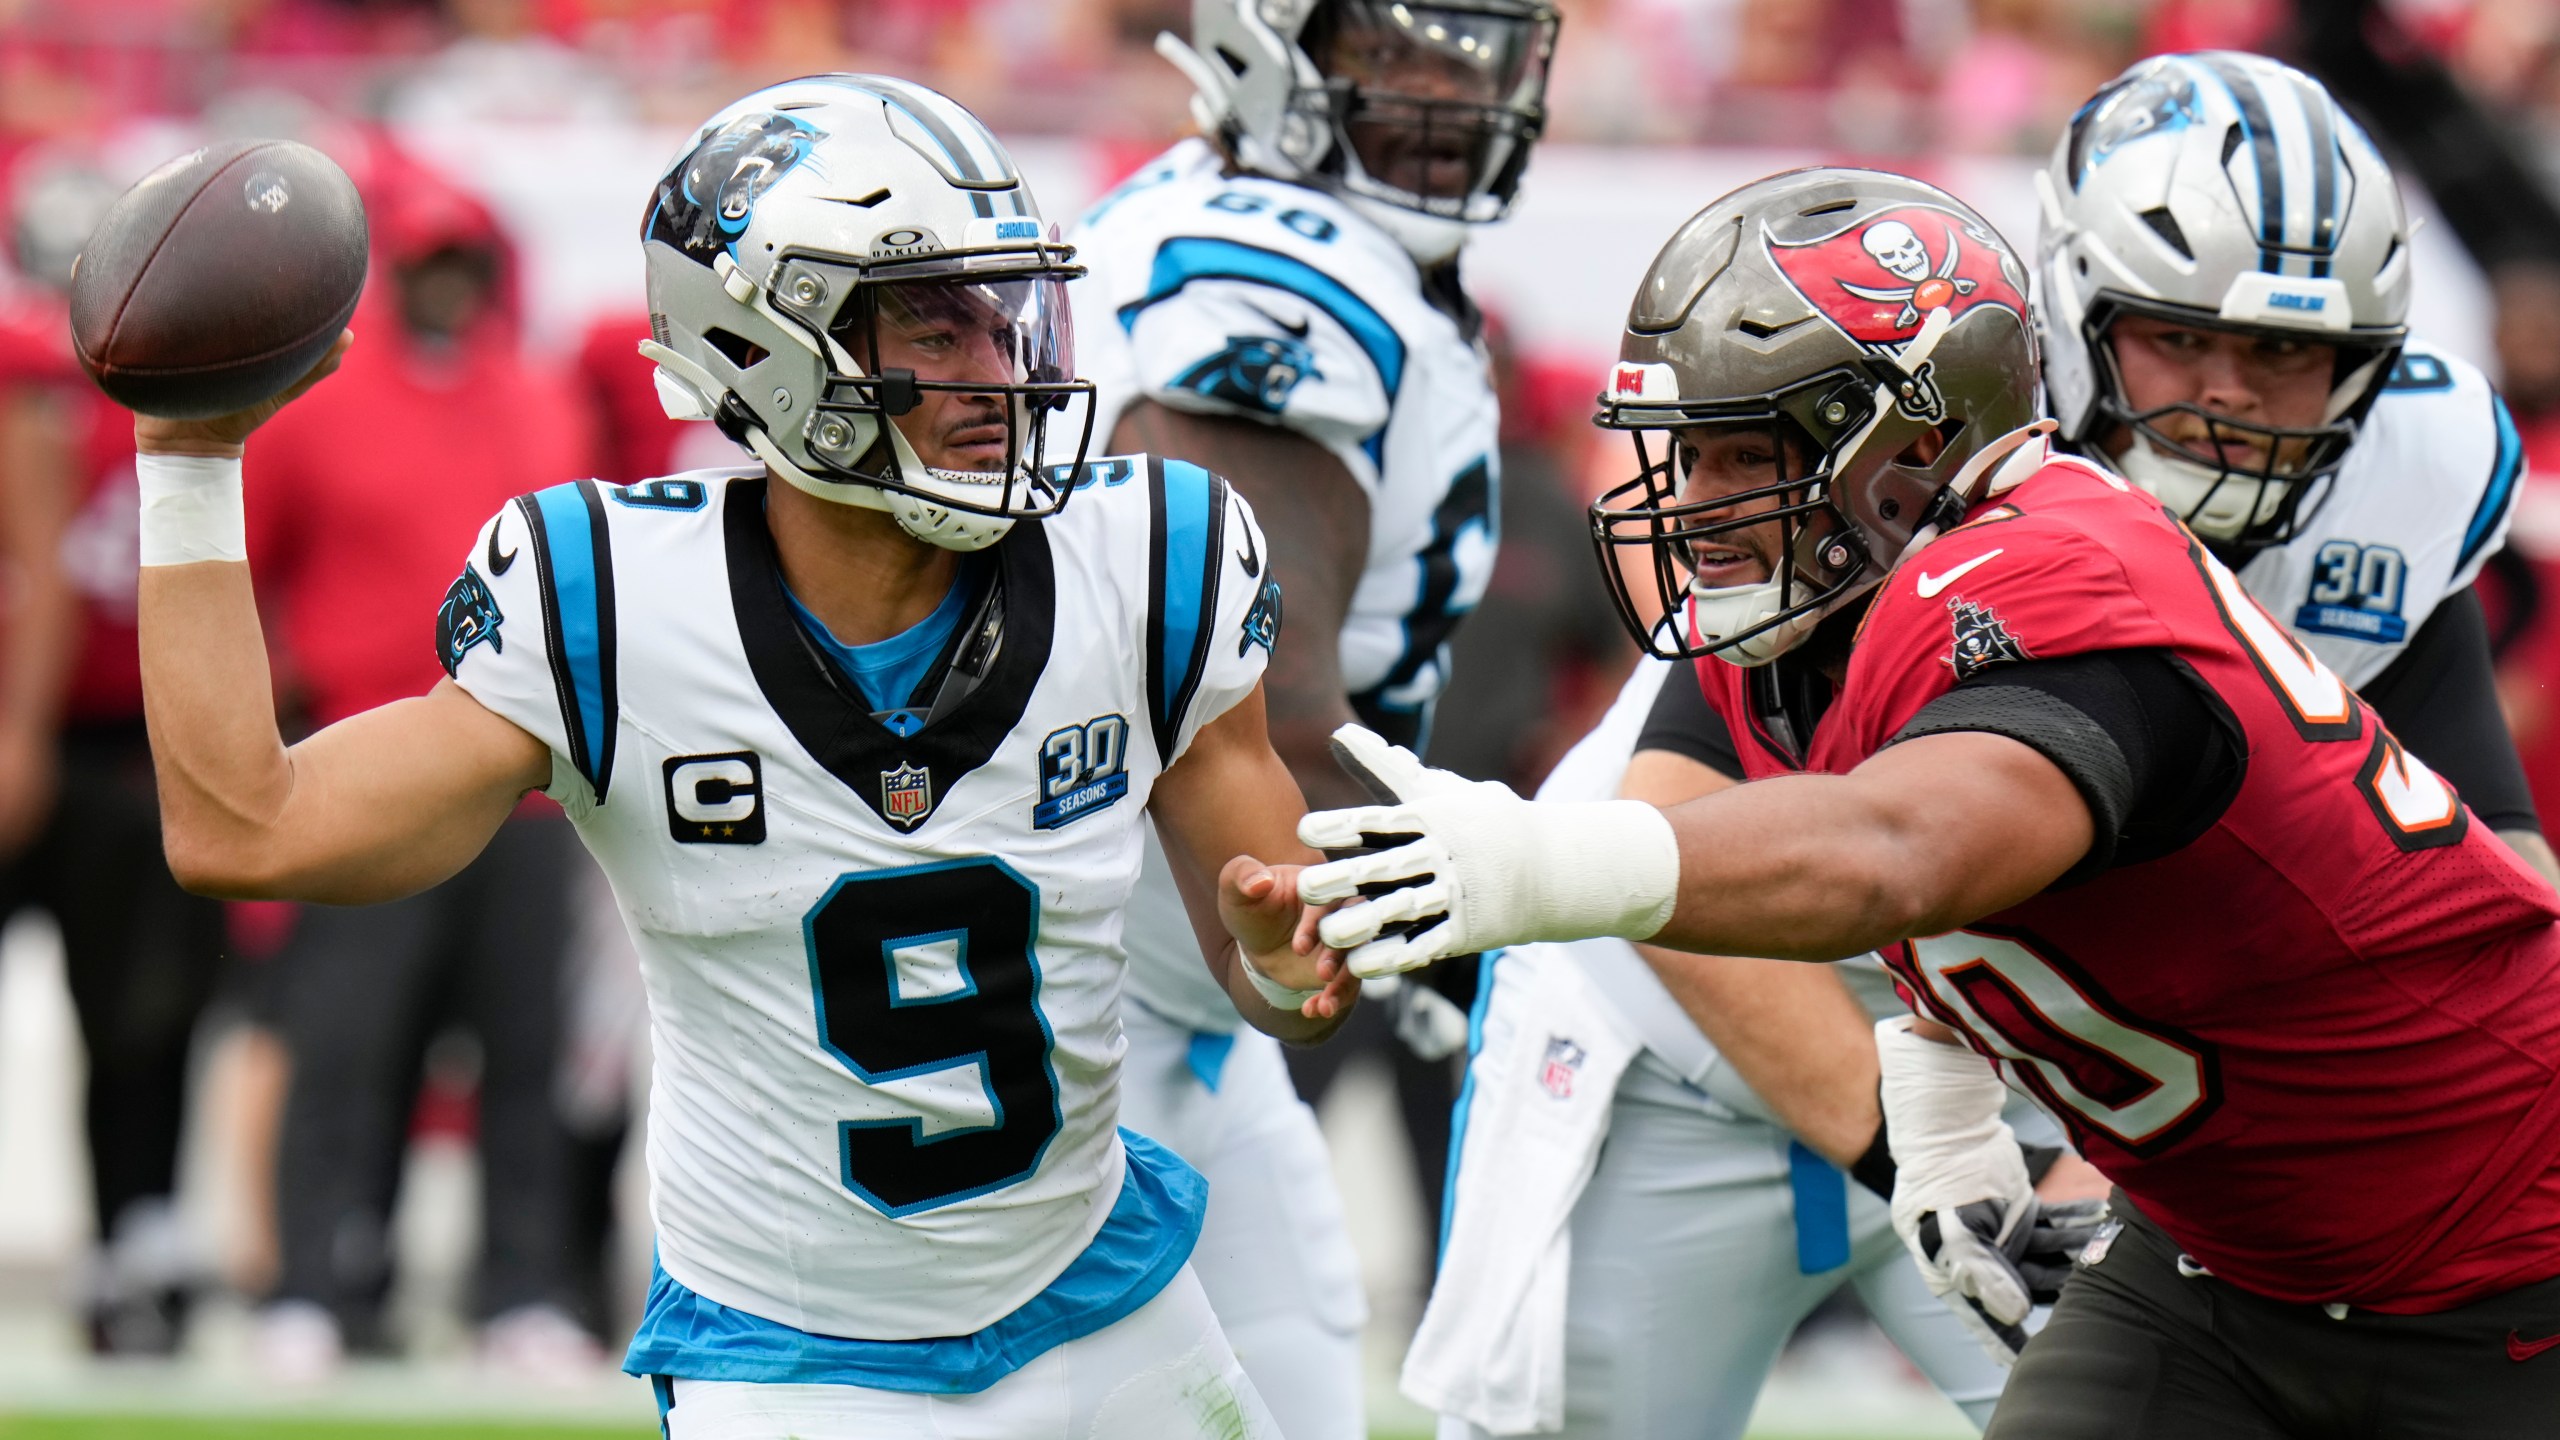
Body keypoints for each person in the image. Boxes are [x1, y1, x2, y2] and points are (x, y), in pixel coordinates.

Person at [126, 75, 1352, 1439]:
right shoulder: (608, 601)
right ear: (764, 342)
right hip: (798, 1367)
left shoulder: (1150, 560)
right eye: (932, 328)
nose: (998, 376)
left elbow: (1286, 982)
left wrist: (1291, 966)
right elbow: (247, 828)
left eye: (1006, 321)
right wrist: (187, 459)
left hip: (1107, 1314)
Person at [1299, 166, 2560, 1440]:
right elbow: (2018, 907)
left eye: (1749, 453)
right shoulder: (1812, 617)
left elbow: (1899, 849)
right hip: (2218, 1253)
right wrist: (1940, 1102)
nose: (1694, 504)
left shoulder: (2061, 576)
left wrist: (1528, 867)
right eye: (1686, 453)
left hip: (2498, 1231)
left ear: (1908, 449)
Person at [1071, 5, 1558, 1424]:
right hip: (1115, 976)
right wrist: (1531, 904)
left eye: (1483, 48)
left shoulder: (1277, 230)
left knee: (1294, 1381)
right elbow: (1258, 696)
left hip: (1158, 983)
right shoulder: (1277, 271)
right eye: (1401, 44)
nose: (1455, 88)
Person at [238, 140, 601, 1377]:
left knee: (525, 1049)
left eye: (464, 257)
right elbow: (245, 575)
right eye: (428, 257)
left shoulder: (538, 392)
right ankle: (318, 1283)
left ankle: (521, 1291)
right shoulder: (320, 405)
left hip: (528, 782)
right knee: (349, 1039)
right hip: (367, 762)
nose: (449, 279)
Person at [0, 156, 229, 1356]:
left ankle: (133, 1239)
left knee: (144, 1014)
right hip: (51, 730)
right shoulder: (27, 381)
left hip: (134, 739)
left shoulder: (189, 383)